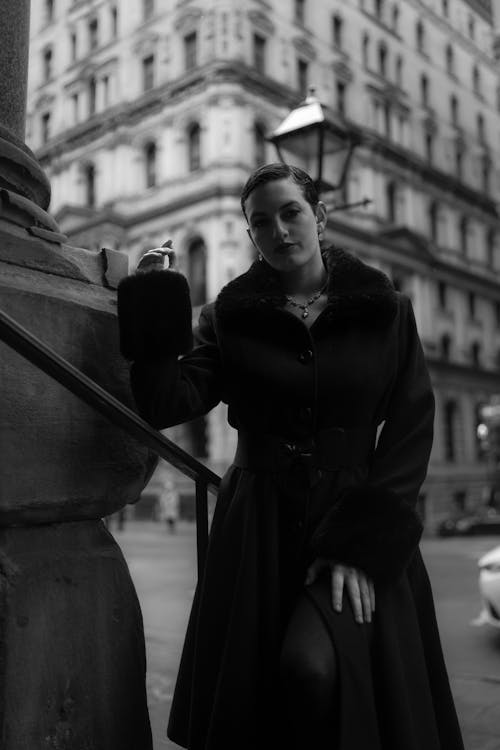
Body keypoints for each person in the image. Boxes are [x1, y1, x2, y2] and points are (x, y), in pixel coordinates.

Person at [117, 163, 464, 750]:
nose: (278, 230)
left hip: (355, 517)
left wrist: (360, 547)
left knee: (314, 666)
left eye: (290, 212)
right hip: (258, 528)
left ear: (319, 215)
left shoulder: (387, 309)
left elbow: (411, 426)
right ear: (250, 236)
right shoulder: (227, 318)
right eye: (260, 222)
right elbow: (167, 401)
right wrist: (155, 304)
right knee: (266, 695)